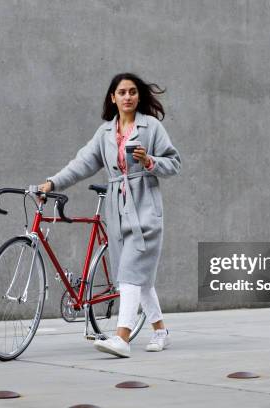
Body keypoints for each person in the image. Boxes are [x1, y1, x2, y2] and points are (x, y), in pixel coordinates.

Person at [38, 72, 181, 358]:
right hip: (116, 211)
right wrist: (52, 182)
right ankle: (161, 331)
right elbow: (82, 164)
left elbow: (174, 163)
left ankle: (122, 337)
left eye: (132, 92)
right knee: (140, 279)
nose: (128, 97)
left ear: (138, 96)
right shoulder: (105, 133)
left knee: (129, 272)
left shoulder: (151, 127)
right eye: (122, 92)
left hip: (145, 209)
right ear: (112, 98)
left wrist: (149, 161)